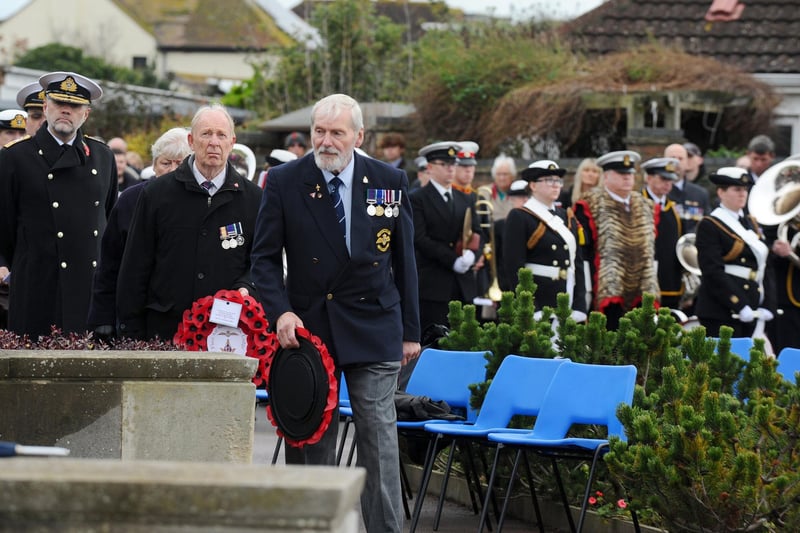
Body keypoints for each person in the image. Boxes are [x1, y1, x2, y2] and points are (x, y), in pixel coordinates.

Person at [251, 94, 420, 533]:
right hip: (310, 328)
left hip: (374, 322)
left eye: (337, 133)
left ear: (358, 136)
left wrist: (411, 332)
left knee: (379, 435)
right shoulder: (285, 181)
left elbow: (405, 261)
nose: (326, 142)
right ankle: (313, 525)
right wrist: (281, 313)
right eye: (319, 132)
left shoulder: (389, 180)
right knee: (313, 437)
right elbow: (265, 260)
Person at [116, 104, 262, 340]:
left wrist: (246, 286)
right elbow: (135, 266)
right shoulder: (156, 194)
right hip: (164, 331)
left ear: (232, 142)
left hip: (227, 335)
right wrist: (130, 331)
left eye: (221, 135)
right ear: (192, 141)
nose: (214, 142)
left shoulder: (254, 199)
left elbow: (261, 261)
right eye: (206, 134)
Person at [0, 70, 117, 337]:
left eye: (74, 105)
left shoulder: (102, 156)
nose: (66, 110)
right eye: (59, 103)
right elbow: (3, 224)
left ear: (85, 114)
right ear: (45, 106)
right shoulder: (15, 157)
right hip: (38, 284)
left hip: (87, 286)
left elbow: (108, 221)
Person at [88, 127, 192, 339]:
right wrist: (102, 318)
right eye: (166, 163)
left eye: (180, 163)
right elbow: (109, 263)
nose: (173, 169)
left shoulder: (198, 203)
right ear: (154, 165)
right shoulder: (130, 200)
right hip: (135, 314)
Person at [573, 150, 659, 329]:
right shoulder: (590, 203)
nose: (627, 178)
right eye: (621, 174)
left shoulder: (645, 204)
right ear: (606, 176)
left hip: (643, 285)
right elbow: (584, 251)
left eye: (630, 174)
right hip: (608, 286)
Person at [411, 141, 482, 333]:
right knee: (435, 341)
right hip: (434, 285)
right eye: (445, 164)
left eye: (453, 164)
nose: (451, 169)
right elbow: (420, 238)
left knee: (465, 341)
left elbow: (477, 233)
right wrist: (452, 260)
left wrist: (472, 256)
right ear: (431, 167)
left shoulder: (465, 198)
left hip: (463, 285)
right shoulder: (418, 198)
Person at [694, 167, 773, 337]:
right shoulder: (710, 224)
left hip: (752, 308)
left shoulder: (751, 223)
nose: (742, 194)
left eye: (744, 190)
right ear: (721, 192)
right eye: (737, 189)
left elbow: (764, 265)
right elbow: (712, 271)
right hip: (721, 309)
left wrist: (769, 303)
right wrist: (739, 304)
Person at [503, 160, 587, 319]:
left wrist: (580, 304)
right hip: (539, 302)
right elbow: (514, 267)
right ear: (533, 186)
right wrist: (530, 306)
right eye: (549, 180)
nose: (556, 185)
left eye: (558, 181)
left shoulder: (566, 216)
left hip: (567, 297)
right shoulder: (520, 216)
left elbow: (577, 263)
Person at [641, 157, 683, 309]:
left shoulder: (674, 207)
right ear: (649, 178)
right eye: (663, 178)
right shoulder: (638, 203)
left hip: (671, 279)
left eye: (670, 180)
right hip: (644, 278)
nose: (668, 184)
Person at [665, 143, 710, 234]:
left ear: (687, 163)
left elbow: (707, 225)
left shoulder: (700, 194)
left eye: (680, 158)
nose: (676, 162)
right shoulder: (657, 191)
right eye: (672, 158)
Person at [496, 179, 530, 291]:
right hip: (507, 284)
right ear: (511, 200)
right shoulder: (500, 225)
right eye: (520, 197)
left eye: (528, 197)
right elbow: (498, 260)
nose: (525, 200)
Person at [478, 154, 516, 221]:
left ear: (512, 175)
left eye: (505, 174)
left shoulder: (519, 193)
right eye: (498, 174)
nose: (502, 178)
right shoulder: (483, 192)